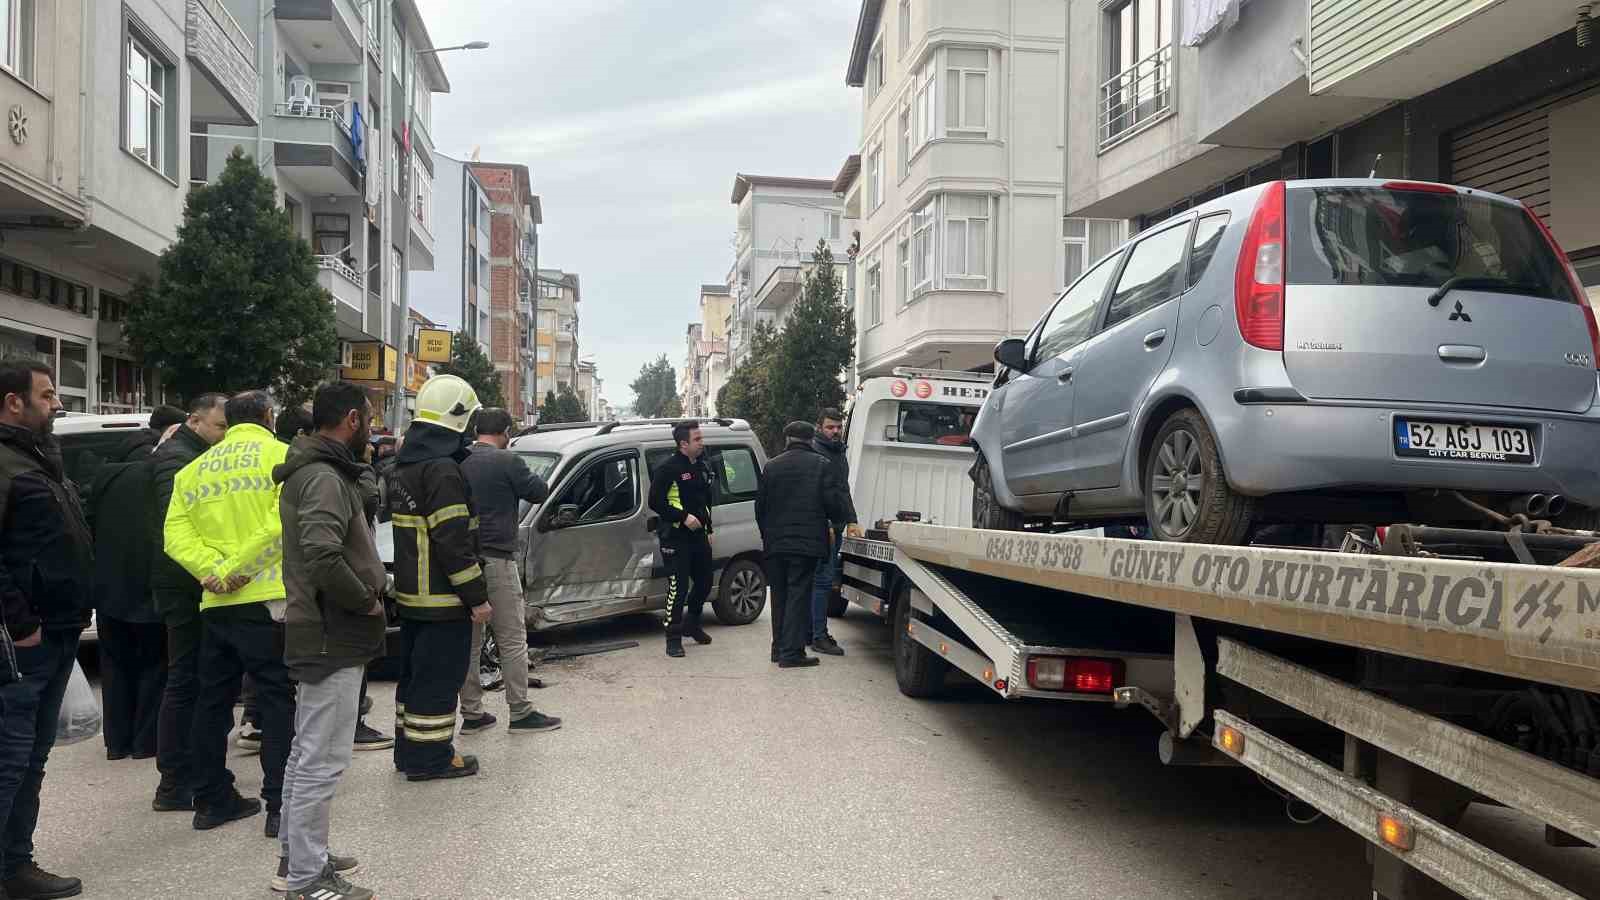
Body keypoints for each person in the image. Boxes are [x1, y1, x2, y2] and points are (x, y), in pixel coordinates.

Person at [272, 382, 384, 900]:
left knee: (306, 752)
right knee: (321, 757)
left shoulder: (319, 471)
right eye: (371, 417)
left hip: (321, 627)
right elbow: (321, 553)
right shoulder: (321, 477)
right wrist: (364, 598)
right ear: (354, 420)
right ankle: (306, 878)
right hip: (330, 630)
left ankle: (299, 856)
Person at [164, 390, 293, 835]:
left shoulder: (194, 469)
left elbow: (174, 535)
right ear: (268, 416)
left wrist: (213, 572)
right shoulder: (283, 456)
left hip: (215, 602)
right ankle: (279, 805)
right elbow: (282, 522)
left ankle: (211, 799)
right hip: (267, 598)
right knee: (276, 700)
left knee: (211, 702)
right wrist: (240, 568)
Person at [0, 361, 91, 900]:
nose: (57, 403)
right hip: (23, 642)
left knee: (32, 758)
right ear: (15, 402)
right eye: (48, 394)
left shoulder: (38, 458)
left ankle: (16, 867)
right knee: (10, 760)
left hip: (57, 631)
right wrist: (21, 621)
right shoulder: (7, 464)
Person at [388, 375, 491, 781]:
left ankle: (409, 752)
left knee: (414, 679)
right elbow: (453, 542)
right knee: (438, 680)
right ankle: (431, 759)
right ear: (458, 420)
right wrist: (477, 597)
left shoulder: (404, 467)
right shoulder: (443, 470)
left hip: (413, 597)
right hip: (444, 600)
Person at [457, 408, 560, 734]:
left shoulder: (459, 462)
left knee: (470, 643)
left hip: (463, 562)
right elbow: (539, 492)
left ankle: (472, 714)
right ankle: (520, 711)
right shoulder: (508, 461)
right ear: (505, 432)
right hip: (498, 560)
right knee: (512, 638)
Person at [150, 392, 229, 813]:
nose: (224, 434)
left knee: (194, 678)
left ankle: (186, 774)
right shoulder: (178, 460)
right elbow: (175, 526)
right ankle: (175, 781)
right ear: (195, 422)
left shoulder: (189, 454)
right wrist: (213, 569)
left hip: (191, 581)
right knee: (185, 680)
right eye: (219, 426)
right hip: (184, 584)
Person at [89, 417, 162, 761]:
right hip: (147, 585)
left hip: (107, 588)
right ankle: (145, 741)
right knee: (153, 663)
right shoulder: (154, 475)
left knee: (115, 666)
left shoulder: (104, 477)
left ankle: (116, 742)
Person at [757, 421, 848, 669]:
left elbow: (760, 508)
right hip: (805, 545)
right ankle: (791, 653)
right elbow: (834, 505)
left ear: (787, 440)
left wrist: (768, 536)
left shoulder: (771, 467)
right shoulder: (822, 466)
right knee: (798, 595)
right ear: (811, 440)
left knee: (779, 595)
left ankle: (778, 648)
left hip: (775, 544)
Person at [647, 421, 716, 658]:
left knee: (705, 582)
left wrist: (709, 529)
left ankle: (692, 624)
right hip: (675, 537)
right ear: (683, 444)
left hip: (698, 537)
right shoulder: (668, 468)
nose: (702, 443)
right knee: (678, 588)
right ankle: (673, 638)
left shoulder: (701, 466)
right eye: (697, 439)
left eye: (701, 438)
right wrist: (683, 517)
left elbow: (704, 501)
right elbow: (655, 502)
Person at [808, 408, 860, 657]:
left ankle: (812, 632)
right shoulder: (818, 453)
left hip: (835, 526)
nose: (836, 431)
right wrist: (828, 523)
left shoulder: (838, 453)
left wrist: (852, 520)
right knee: (822, 580)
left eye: (838, 427)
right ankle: (818, 635)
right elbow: (818, 494)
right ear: (819, 427)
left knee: (820, 580)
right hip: (823, 528)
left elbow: (842, 490)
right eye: (830, 427)